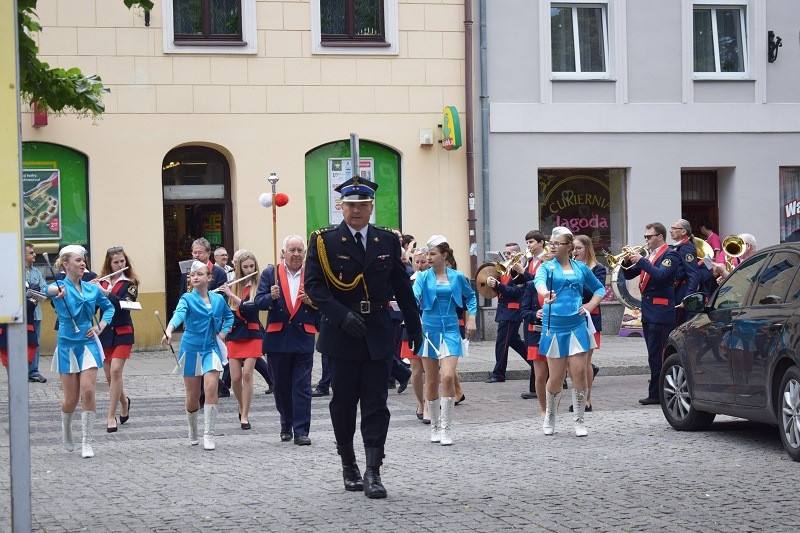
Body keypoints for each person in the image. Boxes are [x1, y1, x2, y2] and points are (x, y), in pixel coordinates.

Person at [304, 176, 422, 499]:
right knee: (343, 404)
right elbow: (314, 286)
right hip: (341, 333)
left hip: (377, 331)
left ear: (371, 207)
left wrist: (414, 326)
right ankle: (349, 464)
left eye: (363, 205)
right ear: (341, 207)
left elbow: (402, 286)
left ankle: (373, 470)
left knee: (376, 404)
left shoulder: (387, 241)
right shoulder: (324, 241)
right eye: (350, 205)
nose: (356, 210)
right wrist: (341, 315)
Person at [534, 228, 605, 437]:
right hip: (554, 326)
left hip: (577, 325)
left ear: (569, 246)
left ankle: (579, 420)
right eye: (551, 243)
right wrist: (545, 294)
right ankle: (550, 416)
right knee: (556, 377)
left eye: (557, 243)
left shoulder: (581, 268)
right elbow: (538, 282)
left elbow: (599, 289)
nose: (552, 246)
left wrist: (590, 305)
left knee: (579, 372)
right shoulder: (546, 267)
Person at [47, 245, 115, 458]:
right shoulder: (60, 286)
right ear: (65, 264)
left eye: (83, 260)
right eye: (78, 260)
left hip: (88, 343)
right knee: (71, 399)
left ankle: (87, 441)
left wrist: (100, 326)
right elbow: (48, 290)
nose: (83, 263)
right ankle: (66, 428)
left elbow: (110, 307)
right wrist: (56, 292)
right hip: (67, 344)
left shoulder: (92, 288)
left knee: (88, 391)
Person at [255, 236, 320, 445]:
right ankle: (286, 423)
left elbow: (323, 302)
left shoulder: (312, 273)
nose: (296, 254)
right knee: (281, 387)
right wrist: (270, 297)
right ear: (283, 253)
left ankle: (301, 431)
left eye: (300, 250)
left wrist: (312, 301)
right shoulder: (270, 274)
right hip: (278, 339)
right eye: (292, 250)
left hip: (303, 337)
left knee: (302, 387)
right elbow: (258, 302)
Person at [162, 260, 234, 450]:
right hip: (191, 349)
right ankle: (193, 428)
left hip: (211, 348)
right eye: (193, 275)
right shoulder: (186, 299)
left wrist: (223, 333)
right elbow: (179, 314)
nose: (195, 277)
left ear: (209, 278)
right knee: (192, 398)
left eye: (200, 274)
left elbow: (229, 316)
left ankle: (209, 434)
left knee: (211, 387)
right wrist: (169, 330)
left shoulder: (218, 299)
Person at [413, 236, 477, 445]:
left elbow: (471, 296)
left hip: (450, 330)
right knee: (431, 381)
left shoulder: (457, 277)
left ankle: (446, 429)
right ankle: (435, 426)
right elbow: (413, 296)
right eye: (427, 254)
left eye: (433, 254)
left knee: (448, 376)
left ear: (444, 255)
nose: (428, 258)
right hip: (429, 330)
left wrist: (472, 318)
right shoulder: (423, 277)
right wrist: (412, 314)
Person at [623, 223, 679, 405]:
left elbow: (661, 275)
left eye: (649, 237)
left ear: (660, 236)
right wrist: (626, 261)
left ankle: (658, 393)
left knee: (658, 355)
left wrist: (641, 261)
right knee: (652, 354)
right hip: (649, 311)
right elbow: (629, 275)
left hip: (660, 311)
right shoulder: (650, 256)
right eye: (645, 237)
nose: (646, 240)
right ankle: (657, 392)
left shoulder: (670, 255)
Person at [95, 246, 139, 433]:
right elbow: (94, 306)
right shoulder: (102, 281)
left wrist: (104, 293)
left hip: (123, 331)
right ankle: (124, 401)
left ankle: (110, 416)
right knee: (109, 376)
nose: (120, 265)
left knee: (115, 371)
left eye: (122, 261)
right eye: (116, 262)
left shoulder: (130, 282)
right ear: (109, 264)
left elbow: (124, 305)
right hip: (105, 333)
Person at [219, 251, 263, 430]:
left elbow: (251, 310)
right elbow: (225, 311)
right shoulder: (234, 285)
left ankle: (245, 414)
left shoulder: (258, 286)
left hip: (252, 334)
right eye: (245, 267)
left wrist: (231, 294)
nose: (249, 270)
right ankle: (240, 404)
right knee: (235, 378)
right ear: (239, 269)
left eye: (252, 266)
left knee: (247, 375)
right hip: (235, 334)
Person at [486, 242, 535, 397]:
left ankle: (499, 373)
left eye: (509, 254)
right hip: (504, 310)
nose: (506, 256)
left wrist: (499, 285)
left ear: (516, 254)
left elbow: (516, 292)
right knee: (514, 342)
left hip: (512, 311)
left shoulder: (520, 271)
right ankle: (537, 364)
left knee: (502, 342)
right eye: (505, 253)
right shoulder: (505, 269)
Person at [572, 235, 606, 412]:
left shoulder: (598, 268)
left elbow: (592, 291)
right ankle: (578, 395)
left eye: (578, 248)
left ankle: (586, 400)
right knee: (572, 363)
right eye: (573, 248)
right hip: (570, 318)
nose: (574, 252)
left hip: (589, 317)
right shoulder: (569, 267)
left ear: (587, 249)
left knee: (585, 361)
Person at [403, 248, 430, 422]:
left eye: (423, 262)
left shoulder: (433, 279)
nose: (420, 266)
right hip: (410, 327)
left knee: (430, 369)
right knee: (416, 370)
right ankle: (421, 402)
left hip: (430, 326)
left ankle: (428, 404)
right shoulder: (408, 279)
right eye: (417, 262)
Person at [669, 219, 701, 326]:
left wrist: (687, 298)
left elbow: (694, 275)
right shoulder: (679, 247)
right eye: (671, 228)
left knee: (678, 326)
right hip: (677, 291)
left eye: (674, 228)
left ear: (683, 232)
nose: (671, 230)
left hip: (682, 293)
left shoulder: (687, 248)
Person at [24, 243, 47, 383]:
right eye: (31, 253)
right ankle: (21, 371)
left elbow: (43, 289)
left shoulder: (36, 271)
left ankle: (33, 371)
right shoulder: (17, 271)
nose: (34, 255)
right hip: (22, 314)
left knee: (35, 343)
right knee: (20, 343)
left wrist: (33, 291)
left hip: (36, 313)